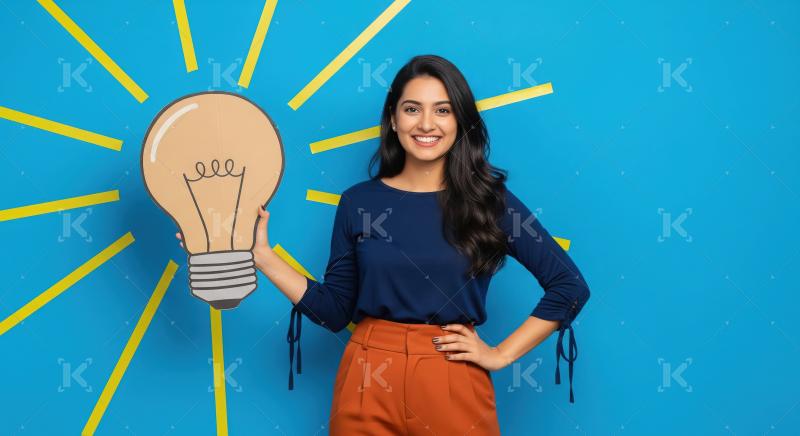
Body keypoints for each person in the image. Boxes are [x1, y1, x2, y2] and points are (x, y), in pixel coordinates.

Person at [184, 54, 591, 435]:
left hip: (451, 373)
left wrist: (500, 355)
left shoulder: (491, 203)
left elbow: (569, 286)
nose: (426, 123)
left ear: (460, 122)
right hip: (366, 372)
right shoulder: (359, 202)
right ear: (393, 119)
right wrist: (263, 257)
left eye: (443, 110)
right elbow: (334, 310)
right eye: (412, 108)